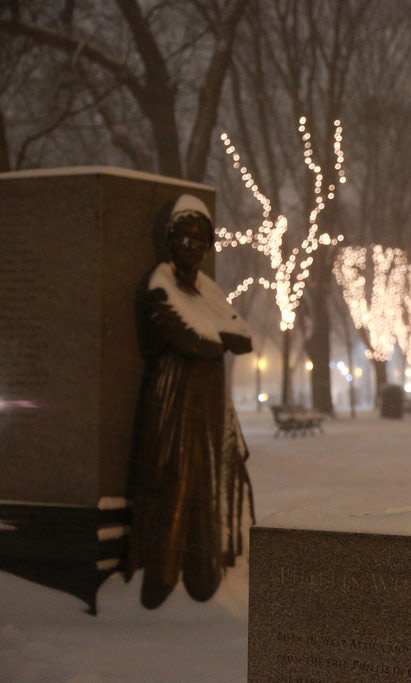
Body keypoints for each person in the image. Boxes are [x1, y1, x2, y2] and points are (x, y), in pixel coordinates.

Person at [127, 194, 255, 609]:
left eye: (202, 240)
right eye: (187, 237)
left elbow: (245, 338)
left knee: (210, 483)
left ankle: (204, 574)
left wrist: (213, 338)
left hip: (210, 407)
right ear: (171, 239)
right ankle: (162, 577)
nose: (194, 247)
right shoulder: (159, 283)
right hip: (175, 402)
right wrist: (215, 338)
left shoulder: (207, 289)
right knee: (175, 480)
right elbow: (188, 339)